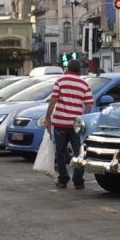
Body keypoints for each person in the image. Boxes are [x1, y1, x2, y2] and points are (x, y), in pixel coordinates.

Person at [43, 62, 93, 190]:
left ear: (67, 69)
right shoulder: (84, 84)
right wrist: (83, 120)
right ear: (79, 70)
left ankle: (63, 180)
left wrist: (47, 118)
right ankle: (78, 181)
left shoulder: (60, 81)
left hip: (60, 122)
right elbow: (88, 104)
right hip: (75, 124)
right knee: (78, 152)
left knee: (60, 151)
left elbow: (53, 100)